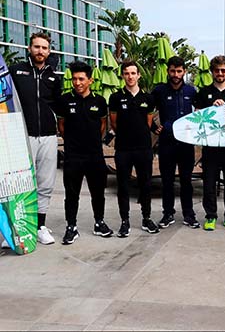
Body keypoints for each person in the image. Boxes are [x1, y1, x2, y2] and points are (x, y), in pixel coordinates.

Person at [9, 32, 61, 245]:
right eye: (37, 47)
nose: (41, 51)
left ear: (49, 51)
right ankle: (17, 229)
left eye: (44, 48)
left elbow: (57, 106)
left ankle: (40, 226)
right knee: (19, 183)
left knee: (45, 183)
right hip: (22, 135)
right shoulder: (15, 72)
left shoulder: (54, 77)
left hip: (48, 136)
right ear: (29, 48)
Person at [57, 61, 113, 245]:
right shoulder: (65, 100)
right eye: (74, 79)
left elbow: (103, 126)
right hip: (73, 155)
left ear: (90, 80)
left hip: (94, 155)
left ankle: (99, 222)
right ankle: (71, 227)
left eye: (81, 79)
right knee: (71, 194)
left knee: (98, 192)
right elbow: (62, 126)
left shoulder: (99, 101)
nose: (77, 82)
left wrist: (92, 142)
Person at [109, 59, 160, 236]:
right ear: (122, 75)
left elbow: (147, 123)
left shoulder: (148, 98)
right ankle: (125, 221)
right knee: (123, 186)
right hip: (123, 149)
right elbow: (114, 123)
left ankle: (146, 218)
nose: (130, 76)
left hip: (143, 148)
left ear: (138, 75)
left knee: (145, 184)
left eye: (133, 73)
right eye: (126, 73)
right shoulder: (115, 98)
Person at [193, 55, 225, 231]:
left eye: (223, 70)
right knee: (209, 184)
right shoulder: (203, 93)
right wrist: (211, 109)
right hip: (210, 148)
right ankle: (211, 216)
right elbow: (198, 118)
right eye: (217, 70)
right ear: (212, 71)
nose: (220, 73)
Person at [152, 56, 200, 229]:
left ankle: (189, 214)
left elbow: (201, 110)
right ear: (168, 71)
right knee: (167, 180)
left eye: (179, 71)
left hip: (186, 143)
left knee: (186, 180)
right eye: (173, 71)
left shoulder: (191, 91)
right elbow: (147, 110)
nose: (176, 74)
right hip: (167, 142)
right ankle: (168, 213)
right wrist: (153, 127)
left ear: (184, 72)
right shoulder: (159, 91)